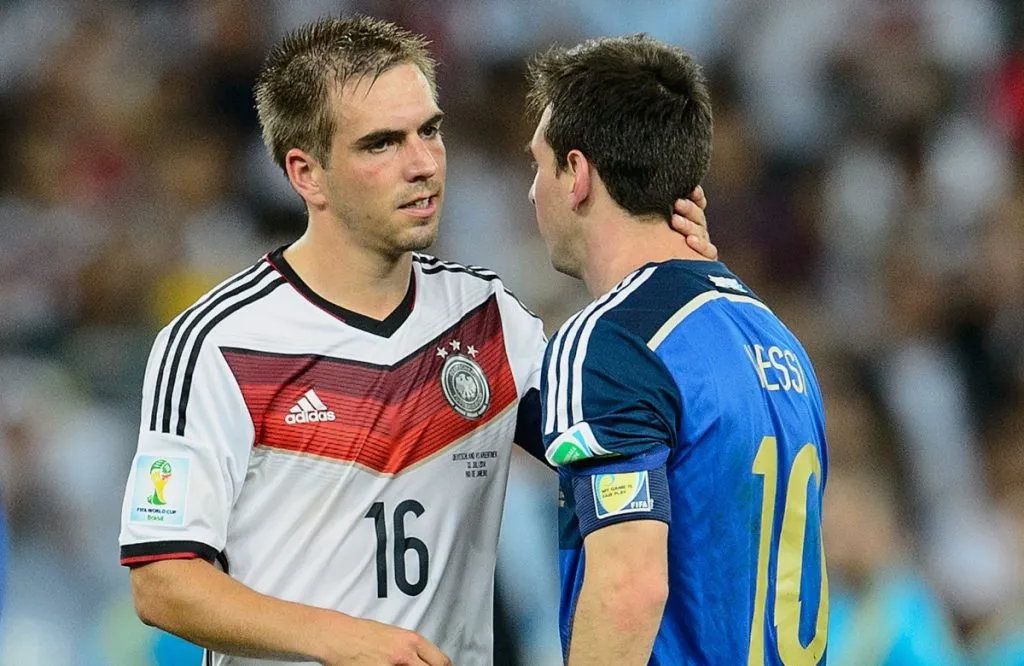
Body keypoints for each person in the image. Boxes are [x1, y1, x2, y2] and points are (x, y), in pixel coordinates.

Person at [118, 16, 715, 666]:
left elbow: (646, 446)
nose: (424, 164)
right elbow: (163, 580)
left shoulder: (490, 322)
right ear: (306, 174)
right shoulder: (216, 344)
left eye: (429, 131)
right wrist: (340, 638)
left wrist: (688, 295)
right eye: (381, 144)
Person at [526, 35, 829, 665]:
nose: (532, 192)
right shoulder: (777, 338)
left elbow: (628, 591)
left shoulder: (609, 341)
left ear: (577, 175)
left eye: (539, 165)